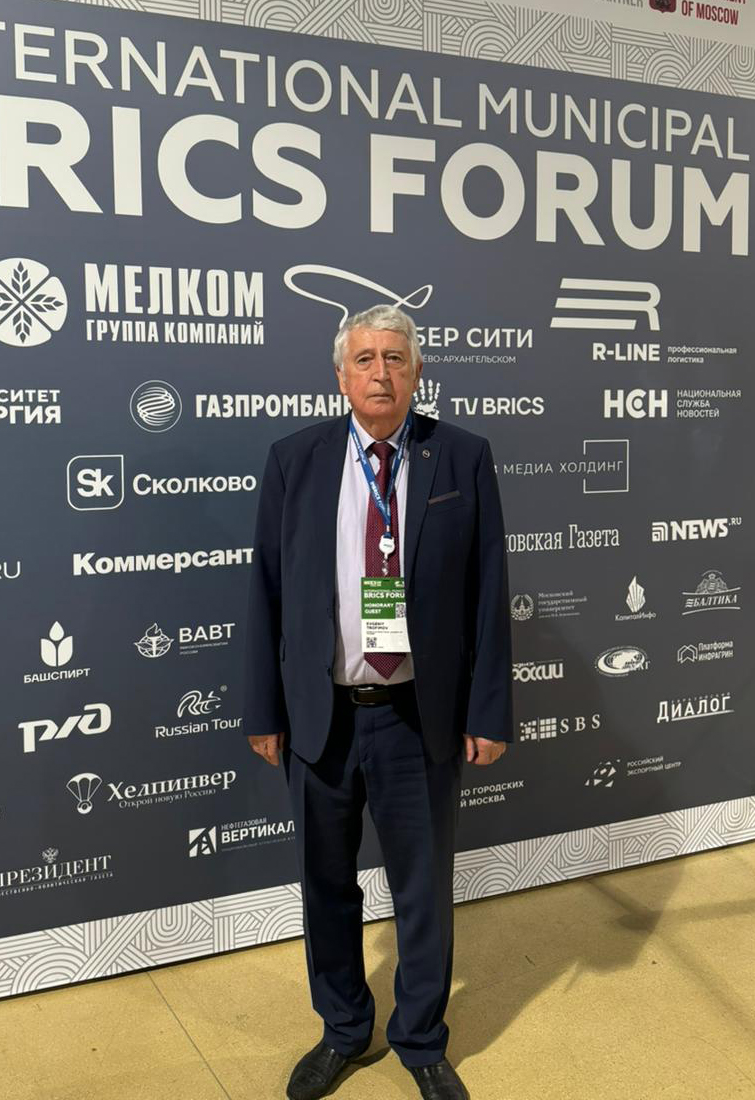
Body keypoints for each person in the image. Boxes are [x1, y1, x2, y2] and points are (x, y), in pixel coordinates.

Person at [243, 304, 513, 1100]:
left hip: (416, 718)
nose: (382, 373)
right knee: (325, 886)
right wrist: (264, 708)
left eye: (396, 358)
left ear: (417, 371)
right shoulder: (295, 459)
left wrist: (487, 711)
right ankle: (342, 1030)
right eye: (365, 359)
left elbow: (489, 592)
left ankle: (421, 1039)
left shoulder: (461, 456)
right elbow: (264, 588)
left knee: (423, 892)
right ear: (341, 376)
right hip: (320, 718)